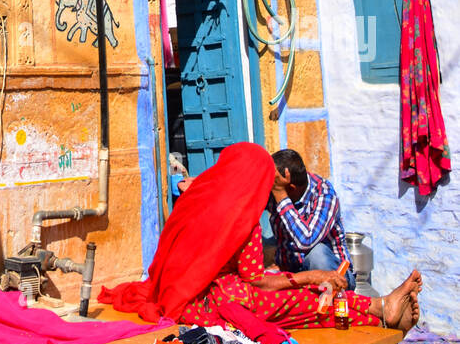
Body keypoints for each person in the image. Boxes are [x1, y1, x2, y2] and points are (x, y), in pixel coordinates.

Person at [100, 142, 422, 332]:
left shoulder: (197, 197)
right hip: (211, 301)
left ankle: (380, 307)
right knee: (300, 301)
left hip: (176, 292)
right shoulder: (242, 217)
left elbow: (305, 242)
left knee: (314, 267)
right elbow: (257, 281)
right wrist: (311, 277)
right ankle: (379, 308)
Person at [269, 149, 355, 289]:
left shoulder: (324, 194)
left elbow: (306, 240)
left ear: (290, 188)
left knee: (317, 254)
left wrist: (280, 195)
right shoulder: (274, 189)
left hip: (336, 277)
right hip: (294, 276)